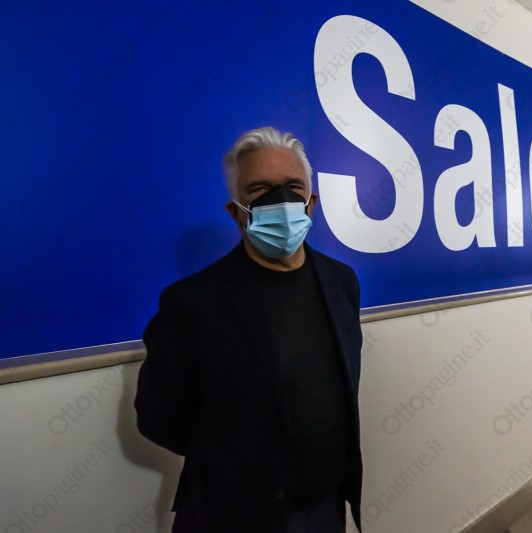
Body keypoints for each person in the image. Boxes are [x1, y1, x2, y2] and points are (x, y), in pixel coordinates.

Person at [134, 126, 363, 532]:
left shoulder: (341, 282)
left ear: (311, 203)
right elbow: (158, 417)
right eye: (260, 189)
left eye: (293, 186)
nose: (281, 199)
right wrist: (240, 464)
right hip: (234, 514)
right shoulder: (192, 303)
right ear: (236, 211)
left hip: (327, 507)